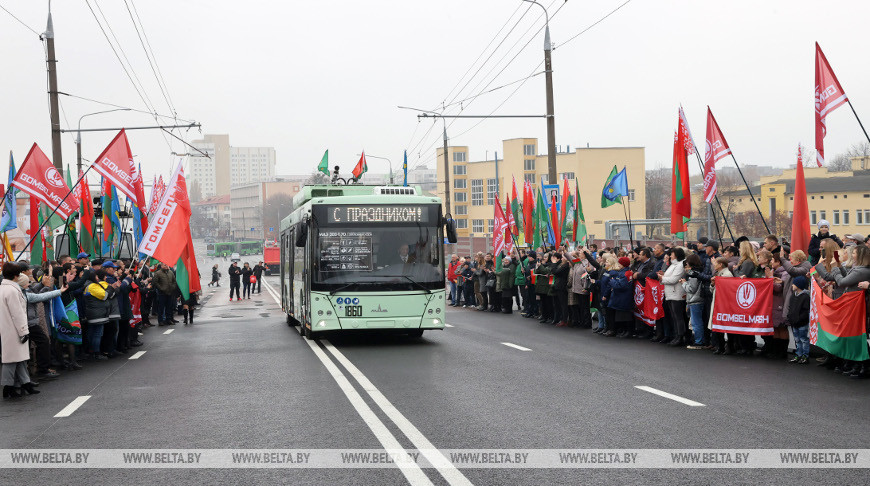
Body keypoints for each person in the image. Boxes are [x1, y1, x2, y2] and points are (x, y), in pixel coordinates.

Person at [1, 263, 40, 398]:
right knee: (11, 360)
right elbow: (17, 313)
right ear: (16, 275)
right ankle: (8, 387)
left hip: (7, 328)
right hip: (14, 329)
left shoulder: (3, 288)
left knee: (19, 359)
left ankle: (25, 383)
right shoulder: (12, 290)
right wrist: (23, 330)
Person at [82, 268, 119, 361]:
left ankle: (93, 352)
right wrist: (112, 287)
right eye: (96, 276)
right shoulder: (92, 286)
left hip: (96, 313)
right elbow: (105, 296)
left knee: (93, 333)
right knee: (97, 334)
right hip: (96, 314)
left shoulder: (92, 285)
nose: (97, 278)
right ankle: (95, 353)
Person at [661, 248, 687, 346]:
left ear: (676, 255)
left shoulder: (680, 265)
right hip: (670, 293)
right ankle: (676, 335)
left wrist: (662, 278)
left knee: (678, 317)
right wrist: (663, 276)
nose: (670, 256)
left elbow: (674, 279)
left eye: (671, 254)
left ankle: (680, 336)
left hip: (677, 294)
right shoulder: (673, 264)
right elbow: (669, 277)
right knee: (674, 317)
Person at [710, 257, 734, 355]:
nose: (714, 265)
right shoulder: (718, 274)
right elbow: (712, 290)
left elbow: (728, 290)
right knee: (718, 325)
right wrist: (712, 284)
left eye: (715, 263)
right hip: (718, 303)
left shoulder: (727, 274)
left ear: (720, 265)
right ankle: (720, 347)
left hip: (725, 304)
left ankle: (729, 347)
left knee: (727, 326)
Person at [682, 253, 706, 349]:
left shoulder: (693, 274)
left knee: (696, 323)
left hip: (695, 300)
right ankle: (699, 340)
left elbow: (692, 289)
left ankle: (699, 341)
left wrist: (684, 283)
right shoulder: (699, 272)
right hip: (696, 299)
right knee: (697, 322)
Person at [787, 276, 811, 364]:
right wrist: (790, 317)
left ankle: (805, 356)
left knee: (803, 339)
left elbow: (805, 311)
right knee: (797, 339)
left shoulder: (805, 297)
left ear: (798, 285)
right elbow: (790, 308)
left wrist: (799, 319)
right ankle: (798, 355)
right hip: (794, 322)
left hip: (802, 323)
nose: (792, 285)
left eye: (794, 283)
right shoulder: (793, 296)